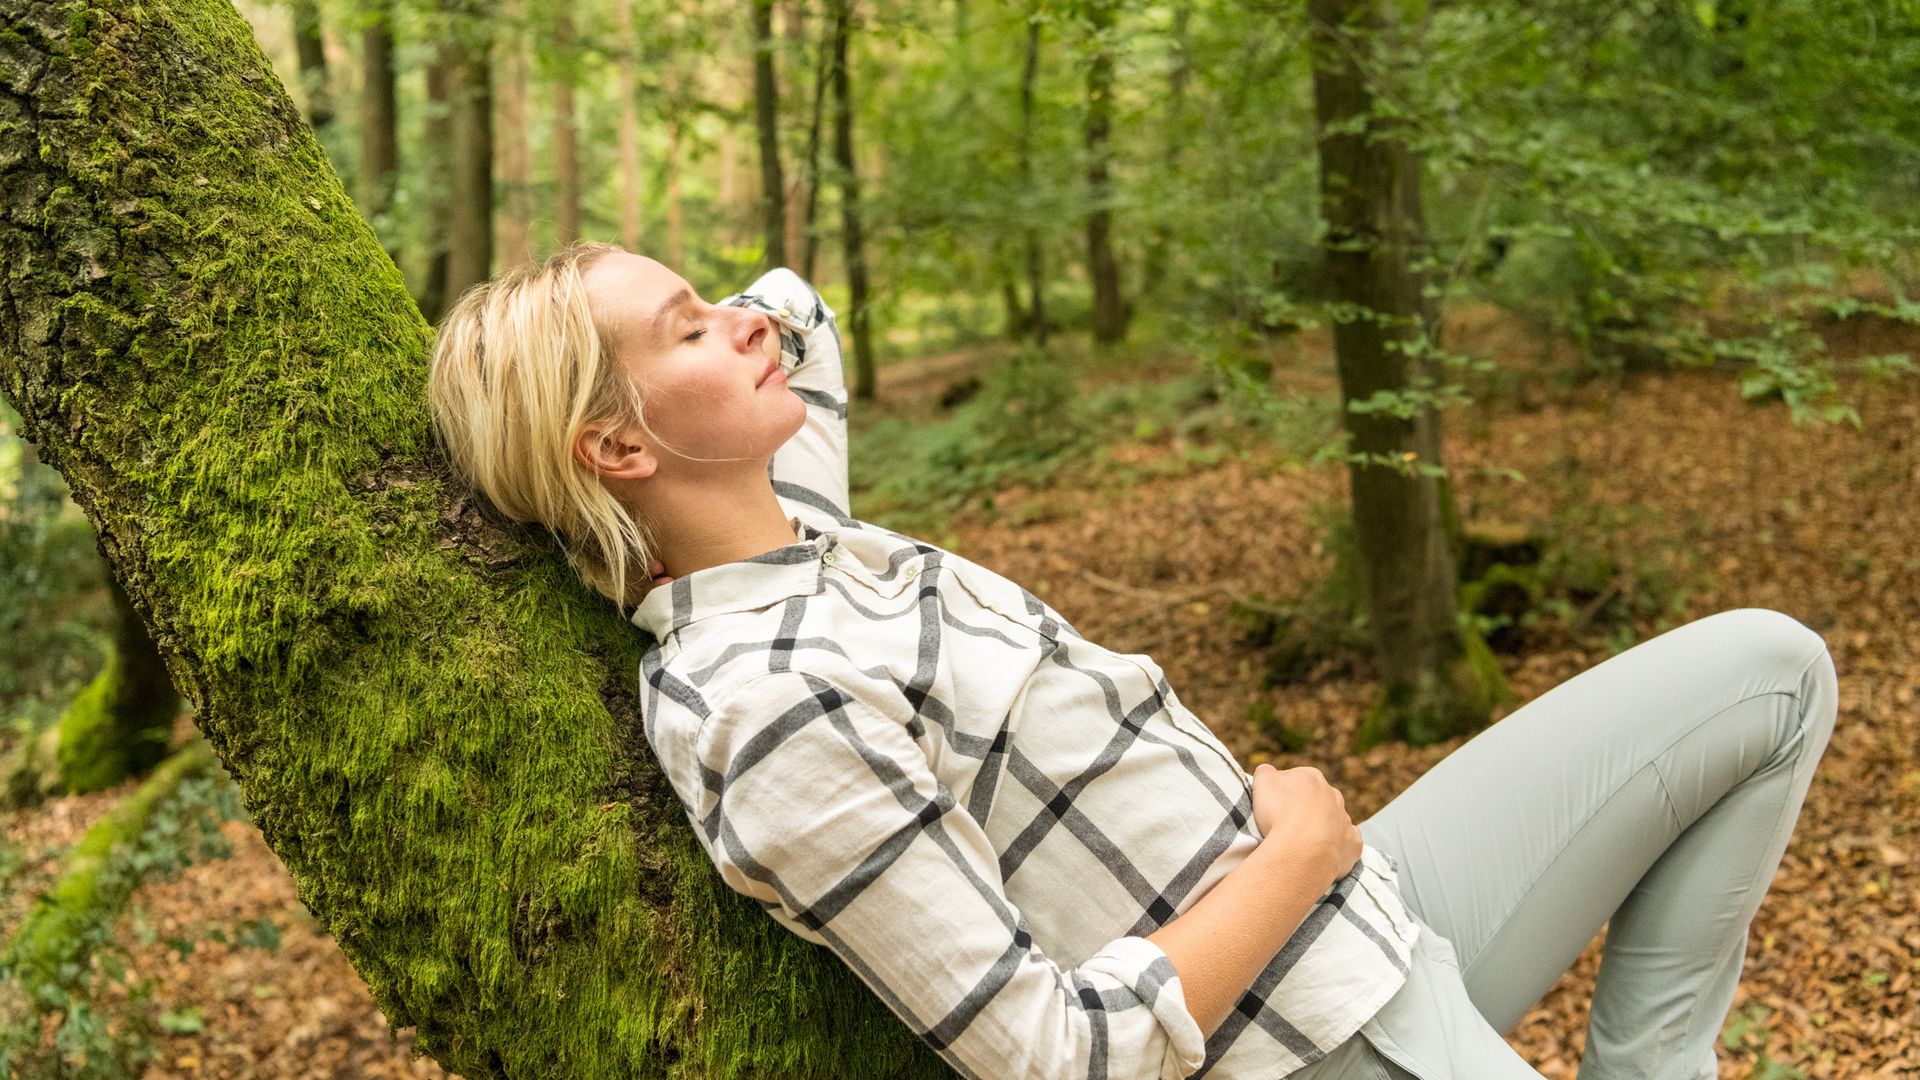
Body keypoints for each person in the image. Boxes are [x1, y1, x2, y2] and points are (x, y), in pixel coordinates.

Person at [425, 241, 1839, 1080]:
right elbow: (1048, 1059)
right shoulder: (767, 707)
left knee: (1771, 674)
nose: (744, 321)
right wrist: (1294, 852)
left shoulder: (805, 536)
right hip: (1312, 1036)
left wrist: (682, 328)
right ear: (613, 448)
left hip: (1374, 915)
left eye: (708, 299)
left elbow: (797, 304)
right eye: (688, 328)